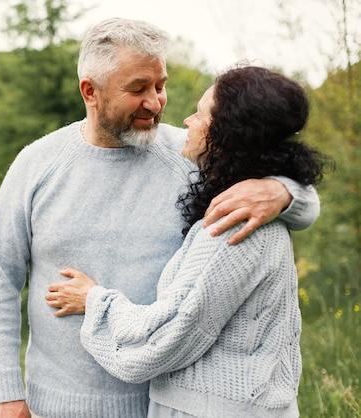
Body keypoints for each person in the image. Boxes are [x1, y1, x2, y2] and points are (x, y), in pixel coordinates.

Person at [0, 18, 320, 418]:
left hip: (163, 405)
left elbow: (296, 202)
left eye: (161, 85)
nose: (156, 102)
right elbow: (0, 278)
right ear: (90, 91)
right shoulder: (37, 164)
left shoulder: (192, 154)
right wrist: (3, 391)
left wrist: (283, 192)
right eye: (138, 88)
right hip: (56, 403)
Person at [46, 65, 332, 417]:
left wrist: (93, 300)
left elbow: (166, 337)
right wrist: (283, 189)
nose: (185, 120)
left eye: (199, 114)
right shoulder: (244, 200)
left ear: (227, 134)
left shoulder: (236, 223)